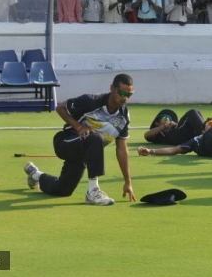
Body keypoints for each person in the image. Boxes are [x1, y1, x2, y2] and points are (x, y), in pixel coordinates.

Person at [22, 73, 136, 205]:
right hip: (66, 142)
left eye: (129, 95)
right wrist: (79, 127)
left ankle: (35, 175)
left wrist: (128, 182)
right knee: (95, 137)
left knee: (63, 190)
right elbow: (60, 108)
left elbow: (122, 149)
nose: (125, 99)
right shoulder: (91, 101)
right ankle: (93, 192)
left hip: (83, 155)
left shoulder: (123, 118)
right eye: (122, 93)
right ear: (112, 88)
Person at [137, 109, 212, 160]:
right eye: (165, 118)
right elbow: (175, 149)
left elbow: (176, 149)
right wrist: (151, 151)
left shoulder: (195, 139)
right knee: (193, 112)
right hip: (208, 141)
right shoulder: (198, 139)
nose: (168, 119)